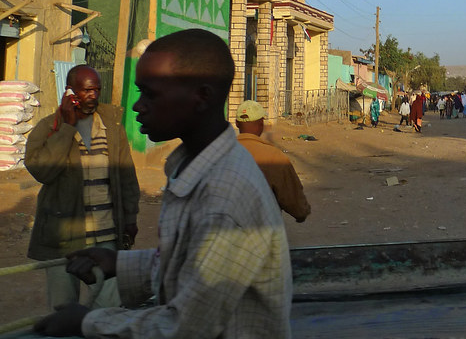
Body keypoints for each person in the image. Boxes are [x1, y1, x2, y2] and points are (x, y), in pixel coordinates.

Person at [34, 28, 292, 338]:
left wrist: (88, 322)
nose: (137, 106)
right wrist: (118, 263)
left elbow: (186, 327)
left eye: (150, 94)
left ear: (202, 97)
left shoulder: (225, 197)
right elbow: (190, 265)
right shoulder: (192, 167)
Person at [25, 64, 140, 311]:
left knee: (109, 307)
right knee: (64, 308)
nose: (94, 96)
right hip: (64, 236)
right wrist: (67, 127)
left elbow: (126, 174)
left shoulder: (112, 125)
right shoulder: (49, 127)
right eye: (87, 90)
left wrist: (130, 217)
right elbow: (42, 171)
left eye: (97, 90)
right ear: (70, 92)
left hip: (107, 234)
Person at [235, 100, 311, 223]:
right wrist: (301, 213)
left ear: (237, 123)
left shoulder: (219, 153)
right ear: (261, 124)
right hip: (261, 233)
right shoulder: (274, 157)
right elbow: (294, 202)